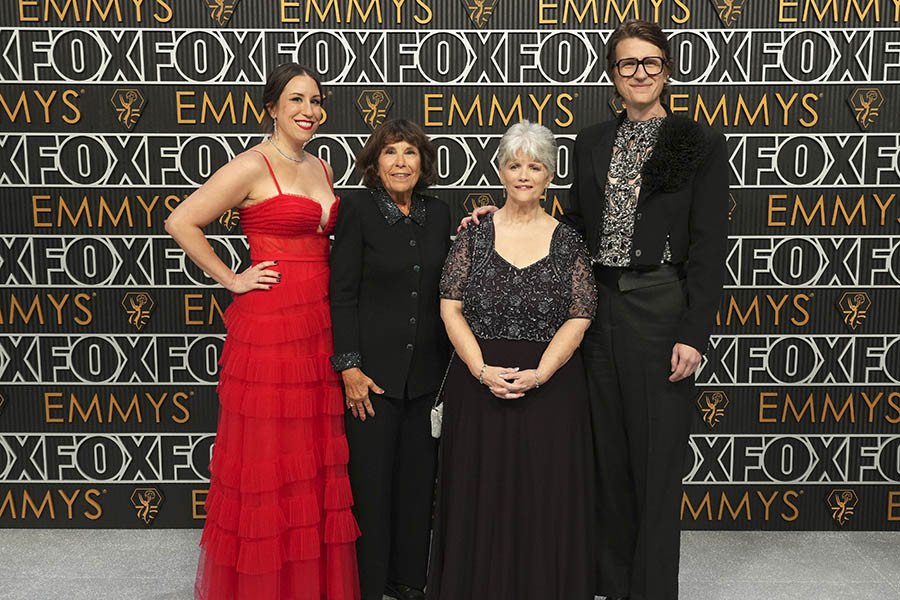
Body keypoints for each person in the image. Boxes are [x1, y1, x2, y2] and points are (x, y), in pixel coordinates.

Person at [467, 20, 730, 600]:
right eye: (628, 64)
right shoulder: (590, 141)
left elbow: (711, 247)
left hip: (661, 307)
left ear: (667, 70)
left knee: (656, 463)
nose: (640, 73)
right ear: (612, 75)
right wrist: (503, 219)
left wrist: (694, 333)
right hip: (595, 309)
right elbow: (574, 232)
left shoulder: (698, 142)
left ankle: (652, 589)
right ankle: (610, 585)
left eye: (651, 62)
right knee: (605, 456)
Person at [166, 63, 360, 600]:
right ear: (271, 107)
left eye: (316, 100)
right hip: (271, 324)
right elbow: (182, 220)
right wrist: (232, 278)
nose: (308, 110)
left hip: (320, 320)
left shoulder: (320, 165)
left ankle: (307, 583)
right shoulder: (252, 165)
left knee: (314, 448)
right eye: (296, 99)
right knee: (271, 450)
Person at [427, 120, 597, 600]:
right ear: (500, 172)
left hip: (552, 388)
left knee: (546, 500)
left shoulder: (568, 240)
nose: (524, 174)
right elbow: (450, 307)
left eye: (535, 166)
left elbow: (580, 315)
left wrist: (541, 373)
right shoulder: (473, 236)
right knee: (479, 500)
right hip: (478, 385)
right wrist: (481, 370)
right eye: (514, 164)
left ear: (549, 176)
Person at [329, 120, 450, 600]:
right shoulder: (356, 208)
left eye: (410, 153)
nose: (401, 161)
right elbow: (342, 293)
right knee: (372, 485)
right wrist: (350, 367)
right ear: (374, 164)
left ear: (423, 164)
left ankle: (408, 579)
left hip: (427, 377)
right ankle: (369, 582)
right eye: (390, 153)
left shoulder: (439, 214)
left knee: (419, 484)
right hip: (371, 378)